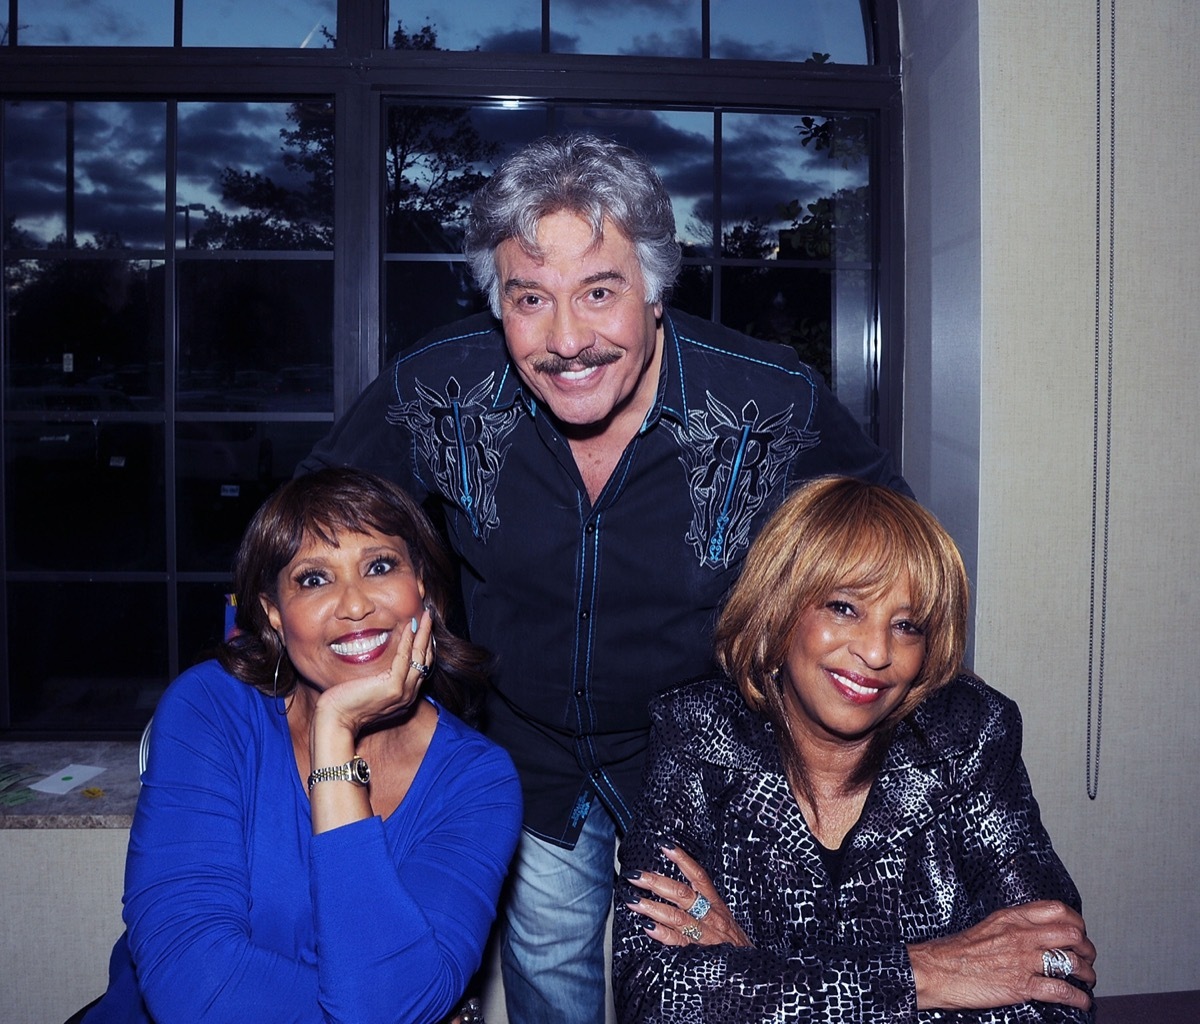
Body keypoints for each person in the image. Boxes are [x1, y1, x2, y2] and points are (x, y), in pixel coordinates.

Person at [298, 132, 908, 1024]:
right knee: (551, 988)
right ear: (496, 302)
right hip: (531, 756)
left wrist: (827, 699)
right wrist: (293, 680)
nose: (567, 339)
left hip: (704, 771)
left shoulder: (772, 400)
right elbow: (315, 522)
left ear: (656, 290)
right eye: (529, 299)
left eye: (599, 291)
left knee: (704, 994)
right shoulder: (439, 385)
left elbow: (891, 545)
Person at [613, 476, 1096, 1023]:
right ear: (780, 610)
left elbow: (1059, 982)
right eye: (844, 607)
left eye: (907, 625)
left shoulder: (968, 736)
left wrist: (753, 969)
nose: (875, 651)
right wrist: (930, 973)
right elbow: (653, 999)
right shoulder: (699, 736)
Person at [82, 468, 522, 1024]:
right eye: (314, 579)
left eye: (380, 566)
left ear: (425, 591)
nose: (355, 604)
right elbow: (191, 987)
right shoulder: (210, 709)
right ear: (272, 612)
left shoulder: (478, 780)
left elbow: (388, 1004)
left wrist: (333, 734)